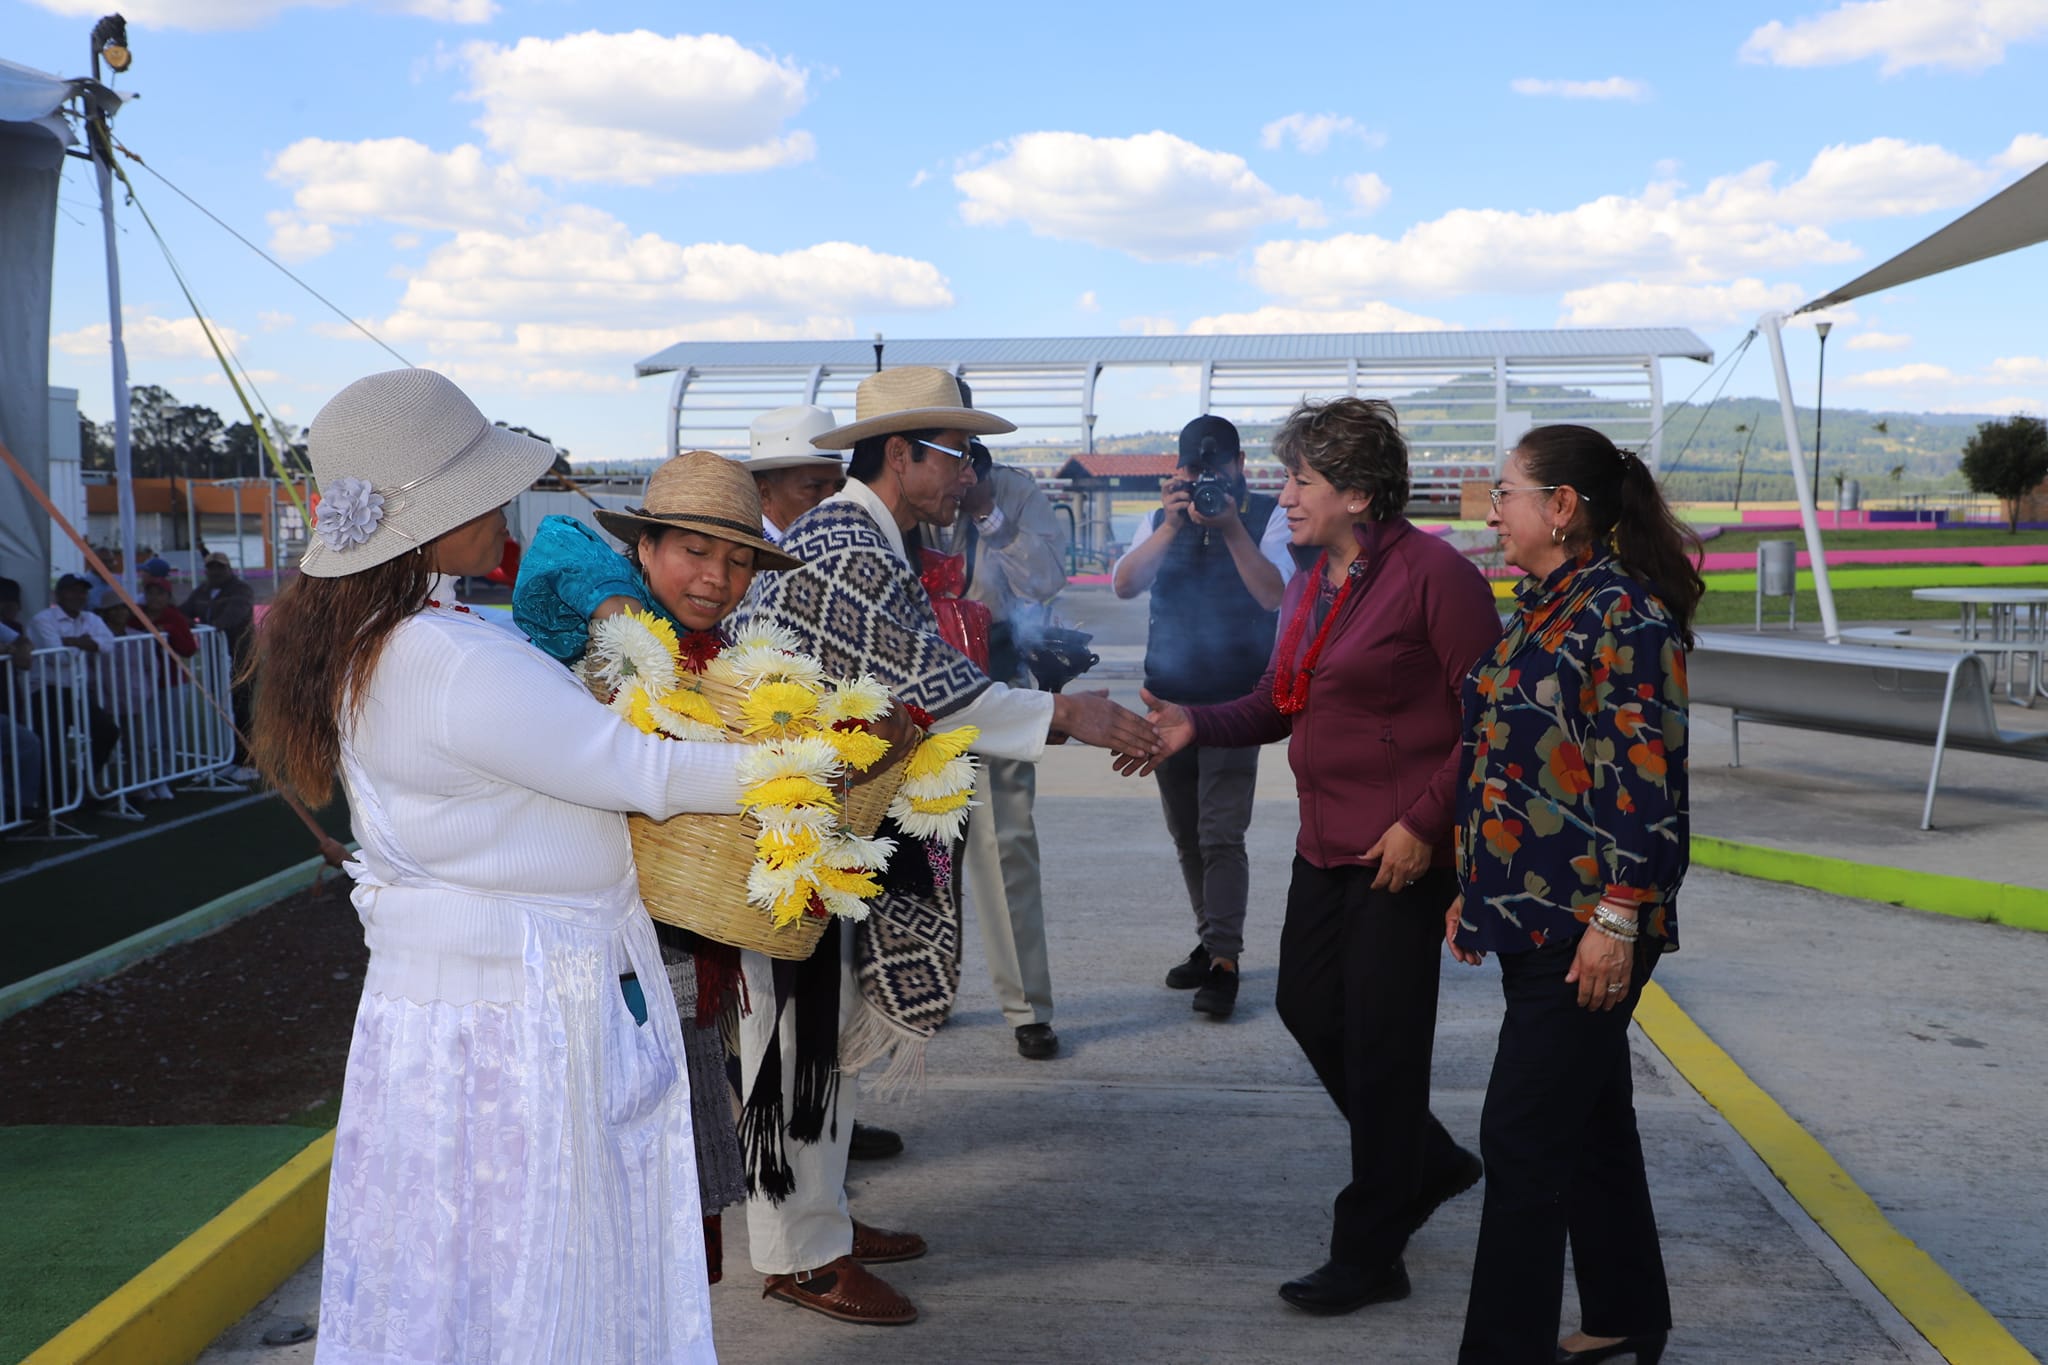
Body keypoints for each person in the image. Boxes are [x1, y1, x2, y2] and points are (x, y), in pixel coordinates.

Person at [251, 368, 747, 1363]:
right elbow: (638, 770)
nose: (501, 502)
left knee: (465, 1272)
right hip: (526, 1012)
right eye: (477, 486)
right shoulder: (448, 656)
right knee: (546, 1269)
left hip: (464, 1010)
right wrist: (811, 765)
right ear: (429, 517)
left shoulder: (401, 636)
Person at [735, 365, 1160, 1325]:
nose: (968, 475)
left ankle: (821, 1218)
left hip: (821, 820)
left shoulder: (858, 535)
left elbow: (918, 688)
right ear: (900, 454)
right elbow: (940, 692)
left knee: (818, 1033)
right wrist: (1071, 713)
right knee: (792, 1038)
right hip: (791, 828)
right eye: (955, 455)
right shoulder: (849, 545)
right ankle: (796, 1253)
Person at [1123, 397, 1500, 1313]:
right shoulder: (1310, 578)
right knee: (1304, 1005)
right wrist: (1192, 726)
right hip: (1324, 845)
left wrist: (1424, 823)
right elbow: (1277, 697)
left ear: (1360, 494)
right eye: (1287, 476)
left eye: (1302, 480)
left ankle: (1371, 1247)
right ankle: (1429, 1159)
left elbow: (1490, 721)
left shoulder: (1435, 578)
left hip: (1403, 850)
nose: (1282, 494)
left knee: (1382, 1046)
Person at [513, 450, 915, 1285]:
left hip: (682, 959)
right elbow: (553, 544)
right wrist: (621, 607)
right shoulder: (602, 634)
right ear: (644, 548)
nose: (717, 576)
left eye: (737, 560)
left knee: (677, 1198)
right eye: (694, 551)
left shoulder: (720, 656)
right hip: (608, 958)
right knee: (630, 1194)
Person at [1446, 423, 1701, 1365]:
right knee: (1593, 1123)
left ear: (1561, 509)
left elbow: (1643, 783)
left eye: (1506, 490)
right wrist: (1476, 888)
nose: (1492, 508)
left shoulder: (1622, 614)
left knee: (1519, 1141)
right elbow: (1520, 764)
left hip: (1589, 920)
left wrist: (1619, 916)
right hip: (1536, 911)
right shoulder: (1551, 604)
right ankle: (1628, 1312)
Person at [1111, 414, 1295, 1019]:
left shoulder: (1268, 519)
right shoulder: (1162, 516)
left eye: (1216, 469)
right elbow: (1124, 585)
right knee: (1188, 834)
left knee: (1221, 833)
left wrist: (1232, 527)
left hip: (1236, 702)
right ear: (1179, 470)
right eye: (1193, 469)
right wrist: (1169, 526)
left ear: (1241, 467)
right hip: (1166, 700)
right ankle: (1211, 939)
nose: (1204, 480)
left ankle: (1225, 961)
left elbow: (1275, 595)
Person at [919, 437, 1071, 1060]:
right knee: (925, 848)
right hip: (920, 679)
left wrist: (986, 513)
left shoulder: (1009, 489)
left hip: (996, 671)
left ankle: (1027, 1009)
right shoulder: (901, 492)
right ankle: (927, 989)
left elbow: (1046, 579)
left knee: (1003, 843)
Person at [27, 574, 123, 789]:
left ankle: (81, 782)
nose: (78, 596)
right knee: (51, 746)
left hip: (75, 690)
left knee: (107, 731)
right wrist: (85, 643)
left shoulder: (90, 618)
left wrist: (70, 642)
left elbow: (108, 644)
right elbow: (58, 657)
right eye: (72, 591)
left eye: (82, 592)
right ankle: (55, 800)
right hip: (46, 690)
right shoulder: (43, 619)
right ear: (59, 594)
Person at [183, 550, 258, 780]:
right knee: (224, 711)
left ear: (229, 569)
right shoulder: (202, 591)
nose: (215, 572)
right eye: (211, 568)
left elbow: (232, 617)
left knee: (241, 710)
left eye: (220, 567)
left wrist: (208, 626)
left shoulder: (241, 589)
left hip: (241, 659)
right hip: (216, 660)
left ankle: (249, 763)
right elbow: (182, 611)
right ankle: (230, 757)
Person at [740, 404, 846, 541]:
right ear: (764, 494)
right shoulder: (754, 557)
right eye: (815, 487)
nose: (832, 499)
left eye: (839, 487)